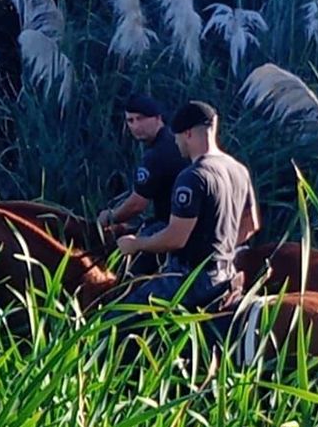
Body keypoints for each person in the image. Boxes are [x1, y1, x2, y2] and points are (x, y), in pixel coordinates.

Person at [109, 100, 260, 324]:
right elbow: (251, 225)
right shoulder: (238, 169)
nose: (176, 142)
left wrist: (136, 244)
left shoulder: (193, 176)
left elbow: (175, 238)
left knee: (113, 321)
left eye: (177, 136)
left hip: (189, 279)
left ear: (188, 133)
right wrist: (219, 249)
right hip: (227, 273)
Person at [99, 93, 189, 276]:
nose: (135, 126)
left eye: (140, 119)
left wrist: (110, 217)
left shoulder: (156, 155)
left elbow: (137, 204)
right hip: (185, 223)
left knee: (124, 271)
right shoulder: (173, 142)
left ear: (157, 118)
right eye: (130, 121)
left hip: (170, 226)